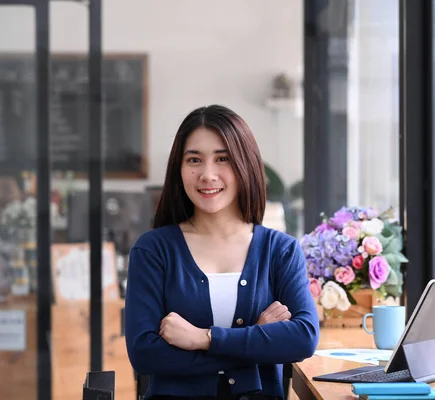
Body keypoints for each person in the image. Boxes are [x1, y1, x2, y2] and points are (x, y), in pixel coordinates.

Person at [124, 105, 320, 400]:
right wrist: (257, 339)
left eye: (222, 159)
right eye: (194, 160)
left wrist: (203, 338)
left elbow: (303, 338)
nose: (207, 174)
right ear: (179, 169)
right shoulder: (153, 250)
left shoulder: (280, 250)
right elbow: (145, 355)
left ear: (245, 165)